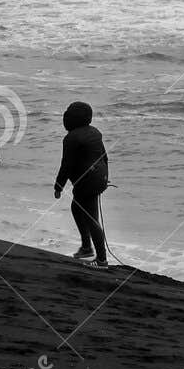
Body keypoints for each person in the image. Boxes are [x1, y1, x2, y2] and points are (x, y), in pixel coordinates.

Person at [54, 101, 110, 269]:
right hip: (99, 177)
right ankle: (86, 248)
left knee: (91, 218)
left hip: (87, 182)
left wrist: (58, 186)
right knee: (77, 208)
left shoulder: (71, 138)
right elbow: (104, 156)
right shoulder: (95, 132)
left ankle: (101, 261)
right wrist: (105, 177)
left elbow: (66, 165)